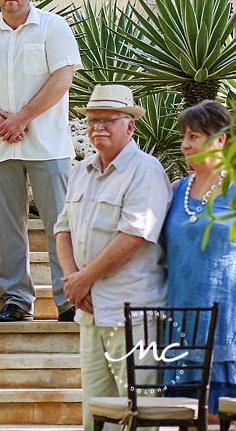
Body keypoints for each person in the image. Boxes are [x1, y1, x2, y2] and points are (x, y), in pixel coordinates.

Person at [0, 0, 81, 322]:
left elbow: (63, 78)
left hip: (48, 147)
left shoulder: (53, 28)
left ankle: (69, 301)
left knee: (60, 226)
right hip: (1, 147)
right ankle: (16, 299)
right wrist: (1, 122)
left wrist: (22, 118)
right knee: (7, 228)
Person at [53, 84, 172, 431]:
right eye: (92, 120)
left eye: (108, 120)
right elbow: (63, 230)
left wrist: (83, 279)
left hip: (134, 312)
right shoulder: (83, 170)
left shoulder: (145, 170)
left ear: (129, 126)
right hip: (90, 311)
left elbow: (133, 237)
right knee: (96, 414)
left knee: (142, 411)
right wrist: (74, 280)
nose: (97, 127)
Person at [164, 99, 236, 416]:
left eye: (193, 136)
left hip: (227, 323)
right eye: (183, 137)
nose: (185, 145)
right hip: (181, 322)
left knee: (224, 417)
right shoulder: (177, 188)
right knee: (181, 415)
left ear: (219, 139)